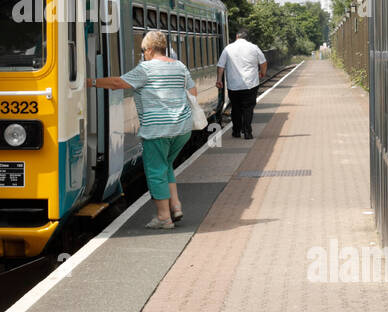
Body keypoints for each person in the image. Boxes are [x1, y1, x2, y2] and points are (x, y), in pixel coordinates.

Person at [89, 29, 196, 229]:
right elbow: (193, 91)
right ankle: (176, 205)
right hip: (182, 128)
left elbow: (117, 83)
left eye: (142, 50)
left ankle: (164, 218)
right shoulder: (180, 66)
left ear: (148, 50)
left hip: (157, 130)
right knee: (166, 165)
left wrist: (89, 82)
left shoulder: (145, 69)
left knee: (155, 171)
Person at [216, 29, 266, 139]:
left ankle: (236, 131)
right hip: (251, 84)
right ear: (246, 38)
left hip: (233, 85)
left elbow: (221, 66)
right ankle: (248, 132)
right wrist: (262, 73)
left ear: (236, 37)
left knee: (236, 108)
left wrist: (219, 80)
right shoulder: (254, 47)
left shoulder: (228, 48)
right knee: (248, 108)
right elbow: (263, 62)